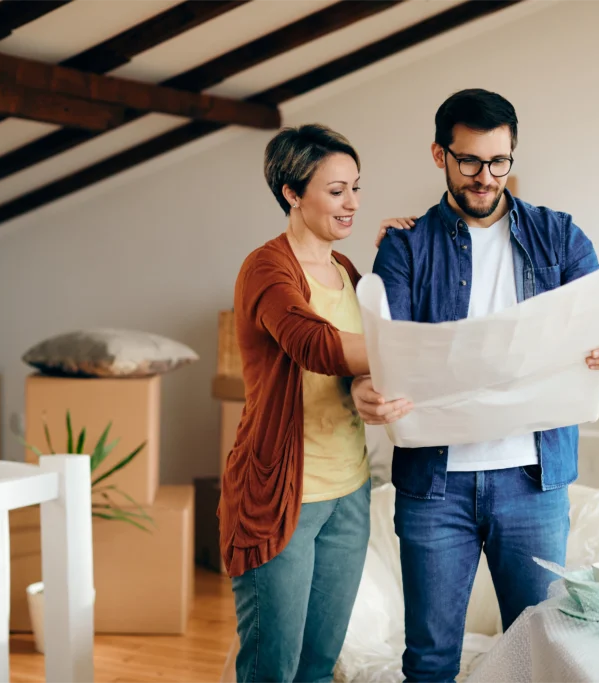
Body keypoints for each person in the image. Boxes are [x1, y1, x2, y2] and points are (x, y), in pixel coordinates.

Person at [352, 88, 599, 682]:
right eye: (469, 162)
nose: (486, 177)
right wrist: (366, 384)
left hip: (532, 483)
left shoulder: (559, 236)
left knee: (541, 654)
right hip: (435, 486)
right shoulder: (405, 247)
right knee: (430, 659)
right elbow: (386, 349)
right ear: (439, 155)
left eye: (500, 161)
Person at [219, 123, 412, 683]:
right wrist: (408, 353)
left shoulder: (350, 272)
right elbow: (316, 345)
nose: (351, 202)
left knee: (321, 667)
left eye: (356, 187)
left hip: (348, 492)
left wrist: (402, 248)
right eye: (335, 191)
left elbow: (346, 373)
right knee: (271, 670)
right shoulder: (267, 269)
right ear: (292, 194)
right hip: (283, 499)